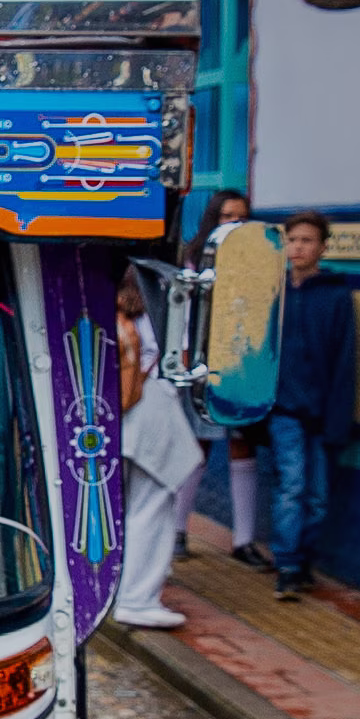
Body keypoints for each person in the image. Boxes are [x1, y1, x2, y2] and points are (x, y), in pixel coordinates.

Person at [260, 211, 348, 600]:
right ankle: (288, 564)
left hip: (322, 409)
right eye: (293, 240)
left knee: (318, 497)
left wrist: (337, 418)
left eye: (307, 241)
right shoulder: (274, 294)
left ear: (323, 247)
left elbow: (346, 361)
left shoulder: (336, 296)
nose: (298, 247)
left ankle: (305, 558)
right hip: (284, 410)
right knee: (292, 486)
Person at [110, 271, 198, 629]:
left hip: (119, 412)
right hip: (148, 408)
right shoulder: (164, 289)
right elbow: (183, 358)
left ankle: (121, 590)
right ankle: (138, 598)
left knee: (127, 505)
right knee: (151, 505)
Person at [190, 186, 263, 564]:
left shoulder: (259, 262)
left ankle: (244, 540)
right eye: (228, 216)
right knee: (197, 449)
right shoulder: (194, 261)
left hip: (242, 367)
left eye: (242, 217)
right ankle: (176, 530)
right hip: (204, 364)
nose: (236, 223)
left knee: (242, 446)